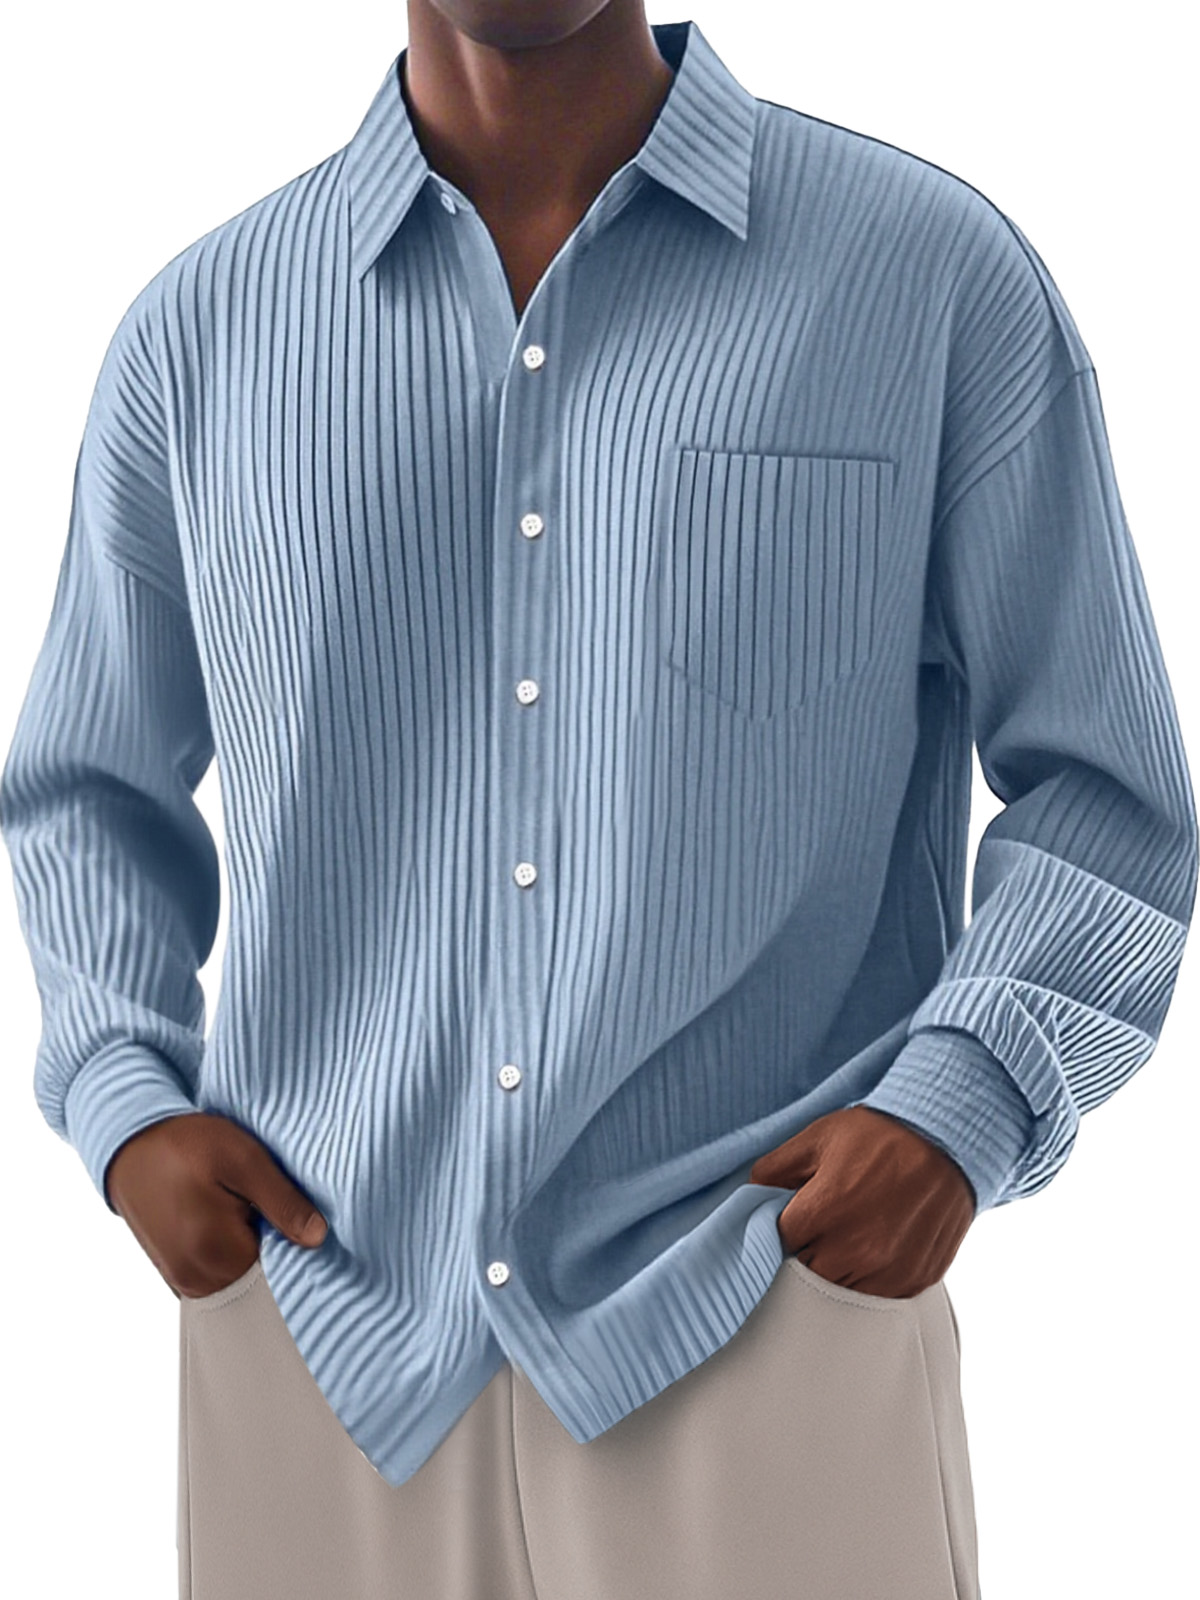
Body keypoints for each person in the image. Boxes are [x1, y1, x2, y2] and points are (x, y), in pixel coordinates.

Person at [2, 4, 1195, 1598]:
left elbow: (1106, 785)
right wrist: (127, 1103)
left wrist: (961, 1104)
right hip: (323, 1332)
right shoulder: (197, 338)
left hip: (762, 1302)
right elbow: (83, 789)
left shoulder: (929, 278)